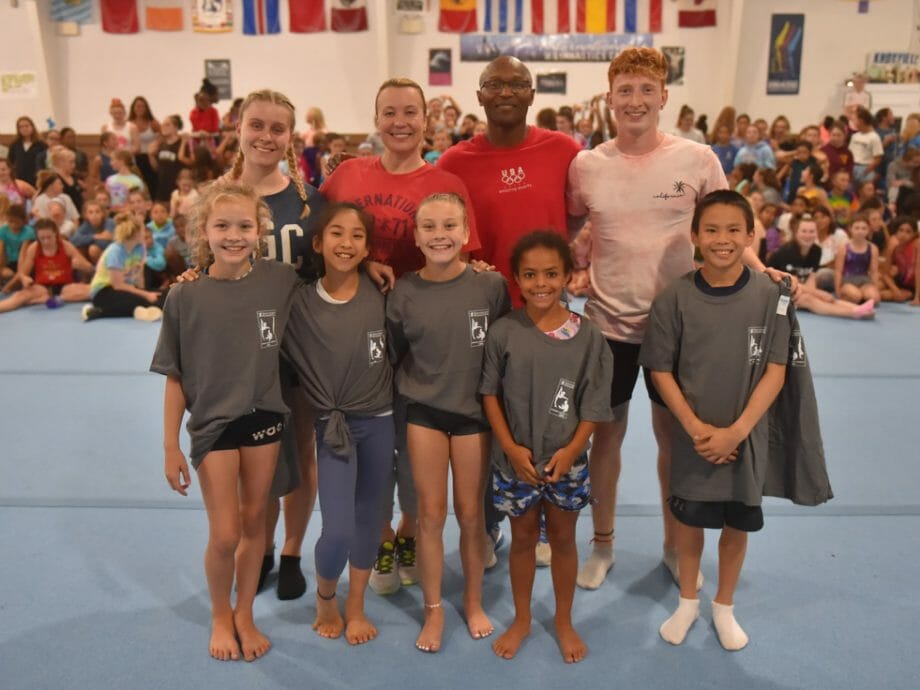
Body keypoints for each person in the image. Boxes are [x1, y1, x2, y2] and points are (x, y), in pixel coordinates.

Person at [566, 47, 784, 592]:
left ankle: (672, 541)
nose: (635, 101)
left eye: (646, 90)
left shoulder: (696, 158)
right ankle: (603, 543)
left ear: (664, 96)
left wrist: (765, 272)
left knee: (674, 440)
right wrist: (575, 259)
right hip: (608, 325)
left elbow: (725, 224)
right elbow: (568, 226)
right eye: (625, 91)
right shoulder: (587, 165)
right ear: (609, 98)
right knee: (605, 440)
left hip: (682, 328)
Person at [321, 77, 482, 596]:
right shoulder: (346, 174)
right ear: (376, 117)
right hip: (357, 334)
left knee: (417, 451)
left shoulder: (446, 182)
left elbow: (466, 255)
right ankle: (383, 535)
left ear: (426, 119)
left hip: (424, 340)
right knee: (373, 446)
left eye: (410, 112)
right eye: (389, 112)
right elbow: (313, 233)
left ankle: (410, 532)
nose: (400, 122)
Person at [439, 55, 583, 565]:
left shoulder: (564, 150)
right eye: (494, 83)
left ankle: (544, 520)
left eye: (517, 83)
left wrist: (580, 261)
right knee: (488, 421)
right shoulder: (454, 162)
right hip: (485, 314)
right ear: (478, 95)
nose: (506, 91)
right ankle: (491, 523)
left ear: (531, 94)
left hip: (547, 311)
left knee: (549, 417)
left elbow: (596, 211)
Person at [152, 181, 299, 662]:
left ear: (259, 230)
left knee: (257, 521)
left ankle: (244, 612)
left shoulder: (279, 280)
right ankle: (220, 613)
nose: (233, 236)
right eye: (222, 226)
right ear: (202, 232)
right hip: (214, 424)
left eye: (244, 226)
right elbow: (174, 377)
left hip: (264, 416)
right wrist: (171, 446)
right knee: (226, 533)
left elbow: (334, 288)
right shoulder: (185, 296)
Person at [639, 190, 792, 651]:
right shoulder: (674, 299)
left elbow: (776, 370)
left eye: (733, 231)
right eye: (711, 230)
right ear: (694, 237)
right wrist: (693, 427)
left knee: (736, 525)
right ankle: (688, 600)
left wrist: (738, 430)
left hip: (745, 435)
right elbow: (660, 370)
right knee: (689, 524)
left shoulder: (771, 297)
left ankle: (723, 605)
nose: (722, 240)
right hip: (694, 438)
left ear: (750, 236)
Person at [481, 231, 613, 663]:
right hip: (515, 460)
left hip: (566, 460)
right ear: (516, 278)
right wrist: (510, 448)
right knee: (521, 540)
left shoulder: (588, 336)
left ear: (568, 276)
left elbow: (594, 405)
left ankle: (563, 619)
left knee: (563, 539)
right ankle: (521, 619)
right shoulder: (503, 332)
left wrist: (574, 450)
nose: (541, 283)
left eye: (552, 274)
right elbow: (489, 395)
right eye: (531, 274)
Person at [387, 192, 510, 652]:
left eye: (449, 226)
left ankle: (474, 601)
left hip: (474, 414)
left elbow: (502, 348)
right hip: (424, 411)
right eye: (430, 227)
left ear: (465, 232)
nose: (440, 235)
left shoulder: (489, 287)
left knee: (473, 514)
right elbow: (396, 350)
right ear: (416, 236)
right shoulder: (404, 291)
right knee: (430, 514)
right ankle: (434, 609)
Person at [222, 89, 326, 600]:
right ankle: (258, 546)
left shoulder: (310, 201)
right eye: (256, 125)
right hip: (241, 352)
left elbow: (335, 263)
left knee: (301, 450)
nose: (266, 136)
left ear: (290, 137)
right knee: (252, 455)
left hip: (299, 348)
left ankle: (290, 550)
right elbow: (202, 271)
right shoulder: (216, 198)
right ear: (238, 128)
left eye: (277, 128)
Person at [281, 203, 394, 645]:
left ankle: (357, 604)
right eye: (336, 234)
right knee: (338, 529)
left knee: (370, 520)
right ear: (318, 242)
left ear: (368, 248)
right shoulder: (299, 302)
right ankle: (327, 597)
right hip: (334, 425)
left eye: (357, 237)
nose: (346, 244)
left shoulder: (381, 291)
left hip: (381, 420)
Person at [768, 213, 875, 319]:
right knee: (807, 299)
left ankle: (860, 308)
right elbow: (791, 282)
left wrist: (818, 294)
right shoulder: (785, 252)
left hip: (797, 289)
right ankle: (853, 312)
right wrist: (817, 293)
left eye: (811, 232)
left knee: (821, 297)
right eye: (804, 231)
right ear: (796, 233)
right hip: (776, 292)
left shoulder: (816, 251)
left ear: (816, 233)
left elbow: (811, 278)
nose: (808, 235)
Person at [82, 212, 164, 322]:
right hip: (104, 291)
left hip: (127, 288)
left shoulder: (140, 248)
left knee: (161, 296)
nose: (144, 233)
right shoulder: (115, 251)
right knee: (138, 301)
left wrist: (145, 292)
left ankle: (141, 308)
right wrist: (145, 295)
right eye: (142, 231)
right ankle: (97, 312)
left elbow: (139, 277)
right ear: (134, 234)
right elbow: (118, 285)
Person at [0, 217, 93, 313]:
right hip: (42, 287)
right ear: (37, 237)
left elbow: (90, 269)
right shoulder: (34, 248)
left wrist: (82, 266)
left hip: (65, 287)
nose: (46, 242)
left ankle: (55, 298)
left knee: (92, 291)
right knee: (20, 296)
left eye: (49, 237)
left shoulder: (66, 246)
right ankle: (52, 298)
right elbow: (22, 273)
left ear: (55, 234)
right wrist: (25, 279)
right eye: (42, 238)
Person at [835, 213, 881, 306]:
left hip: (864, 280)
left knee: (874, 298)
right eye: (857, 228)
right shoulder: (844, 247)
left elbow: (874, 272)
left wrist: (876, 288)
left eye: (864, 228)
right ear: (850, 229)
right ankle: (856, 298)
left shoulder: (872, 248)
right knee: (856, 296)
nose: (860, 231)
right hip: (847, 280)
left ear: (868, 230)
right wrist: (837, 291)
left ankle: (862, 298)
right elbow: (838, 271)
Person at [879, 216, 919, 303]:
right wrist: (894, 288)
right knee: (877, 287)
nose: (903, 234)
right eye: (900, 230)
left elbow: (918, 271)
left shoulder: (917, 244)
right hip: (900, 281)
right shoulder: (893, 245)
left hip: (914, 285)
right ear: (896, 232)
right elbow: (885, 273)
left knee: (885, 295)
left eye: (908, 232)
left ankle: (911, 295)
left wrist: (917, 297)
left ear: (915, 234)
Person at [148, 115, 185, 203]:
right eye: (163, 125)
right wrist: (150, 155)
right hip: (162, 189)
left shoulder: (182, 143)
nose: (163, 127)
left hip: (178, 189)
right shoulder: (160, 144)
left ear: (176, 127)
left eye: (167, 125)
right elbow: (156, 168)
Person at [0, 204, 36, 285]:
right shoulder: (3, 230)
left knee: (23, 275)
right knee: (6, 273)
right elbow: (1, 251)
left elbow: (22, 253)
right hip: (9, 262)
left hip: (24, 262)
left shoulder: (28, 231)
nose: (13, 225)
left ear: (23, 221)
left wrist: (21, 274)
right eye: (10, 222)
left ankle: (17, 280)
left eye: (17, 223)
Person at [8, 116, 48, 187]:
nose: (24, 129)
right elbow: (10, 162)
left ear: (32, 127)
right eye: (21, 127)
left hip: (36, 179)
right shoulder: (15, 144)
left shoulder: (41, 144)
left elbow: (45, 163)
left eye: (26, 126)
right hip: (19, 179)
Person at [850, 107, 884, 186]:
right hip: (852, 166)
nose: (853, 122)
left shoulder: (874, 137)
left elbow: (878, 158)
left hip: (866, 168)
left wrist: (865, 171)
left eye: (854, 120)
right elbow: (850, 153)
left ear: (861, 121)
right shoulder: (855, 136)